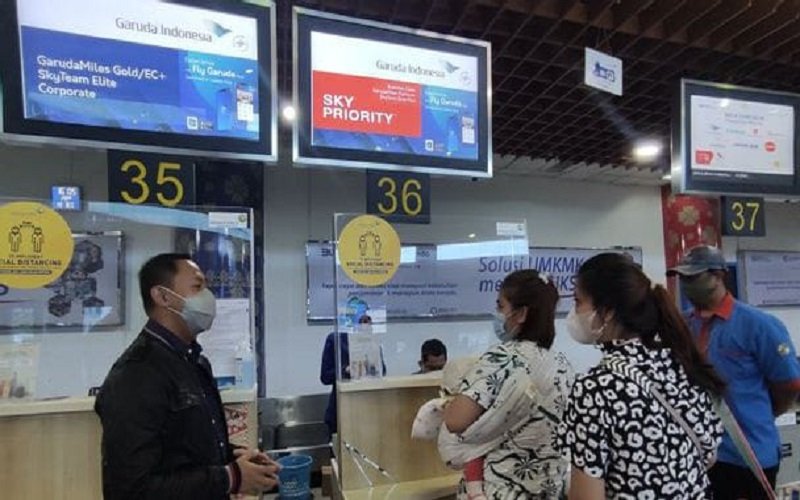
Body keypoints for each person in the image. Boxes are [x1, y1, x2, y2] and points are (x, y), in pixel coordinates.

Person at [95, 254, 280, 499]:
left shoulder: (194, 361)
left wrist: (238, 460)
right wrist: (230, 477)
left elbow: (189, 449)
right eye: (198, 287)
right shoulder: (136, 375)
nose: (208, 297)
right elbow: (131, 488)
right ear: (163, 297)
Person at [561, 253, 724, 499]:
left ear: (607, 312)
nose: (573, 313)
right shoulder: (681, 363)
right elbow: (709, 455)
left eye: (578, 301)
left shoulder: (594, 389)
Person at [668, 245, 800, 498]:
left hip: (748, 454)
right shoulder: (683, 326)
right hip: (700, 455)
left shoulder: (758, 325)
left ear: (719, 275)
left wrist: (760, 414)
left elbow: (789, 384)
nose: (686, 284)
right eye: (683, 278)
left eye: (693, 277)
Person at [443, 269, 574, 499]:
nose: (497, 314)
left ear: (521, 313)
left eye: (501, 306)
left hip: (500, 489)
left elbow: (455, 421)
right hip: (550, 489)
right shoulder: (563, 364)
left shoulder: (501, 359)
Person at [320, 313, 385, 438]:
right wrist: (346, 370)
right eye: (362, 321)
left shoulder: (372, 342)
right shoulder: (336, 340)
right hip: (341, 411)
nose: (366, 325)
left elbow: (382, 371)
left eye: (369, 322)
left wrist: (373, 365)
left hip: (367, 412)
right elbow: (325, 377)